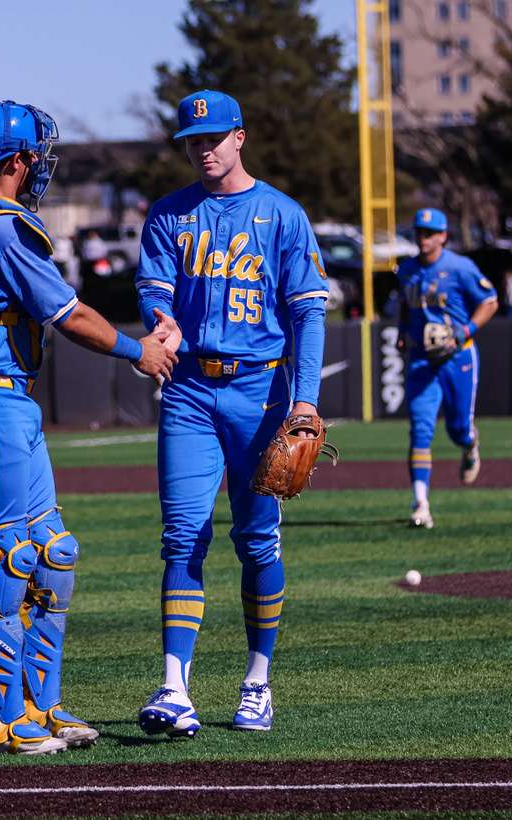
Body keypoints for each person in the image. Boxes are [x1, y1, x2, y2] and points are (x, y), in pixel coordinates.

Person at [0, 100, 176, 756]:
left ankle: (41, 707)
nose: (41, 166)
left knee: (52, 554)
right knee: (5, 559)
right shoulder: (0, 230)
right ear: (16, 161)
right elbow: (71, 316)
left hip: (0, 401)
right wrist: (142, 352)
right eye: (36, 156)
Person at [133, 89, 329, 736]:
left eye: (215, 136)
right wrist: (161, 323)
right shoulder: (168, 215)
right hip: (189, 391)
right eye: (194, 139)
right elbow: (156, 291)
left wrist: (304, 401)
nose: (204, 148)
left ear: (240, 137)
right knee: (182, 536)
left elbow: (308, 311)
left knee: (256, 541)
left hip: (261, 393)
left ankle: (257, 682)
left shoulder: (283, 215)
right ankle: (173, 687)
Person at [396, 208, 499, 529]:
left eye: (429, 233)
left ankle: (470, 443)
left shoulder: (460, 267)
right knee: (421, 429)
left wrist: (465, 331)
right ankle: (420, 503)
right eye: (419, 232)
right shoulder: (407, 270)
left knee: (458, 429)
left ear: (443, 236)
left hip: (457, 357)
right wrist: (403, 331)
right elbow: (404, 304)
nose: (423, 238)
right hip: (423, 359)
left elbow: (490, 301)